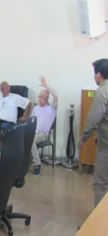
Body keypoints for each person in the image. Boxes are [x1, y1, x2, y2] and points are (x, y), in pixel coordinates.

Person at [78, 58, 108, 207]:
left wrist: (83, 138)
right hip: (104, 139)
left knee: (100, 185)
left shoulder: (102, 91)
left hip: (107, 147)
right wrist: (100, 134)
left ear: (99, 74)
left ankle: (100, 227)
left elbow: (93, 119)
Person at [31, 76, 58, 177]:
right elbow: (31, 121)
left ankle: (37, 164)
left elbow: (56, 95)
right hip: (32, 131)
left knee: (31, 140)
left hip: (42, 134)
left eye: (41, 97)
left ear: (47, 98)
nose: (39, 98)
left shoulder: (52, 108)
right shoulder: (36, 108)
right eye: (39, 96)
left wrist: (46, 85)